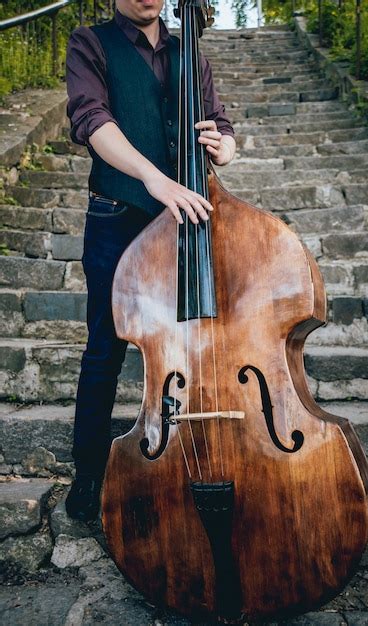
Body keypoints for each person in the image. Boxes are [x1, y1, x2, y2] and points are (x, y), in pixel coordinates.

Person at [64, 0, 236, 521]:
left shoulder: (189, 52)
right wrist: (152, 177)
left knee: (194, 342)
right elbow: (92, 120)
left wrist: (224, 143)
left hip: (188, 221)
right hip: (119, 215)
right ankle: (89, 471)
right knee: (104, 349)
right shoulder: (91, 42)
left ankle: (189, 462)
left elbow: (220, 120)